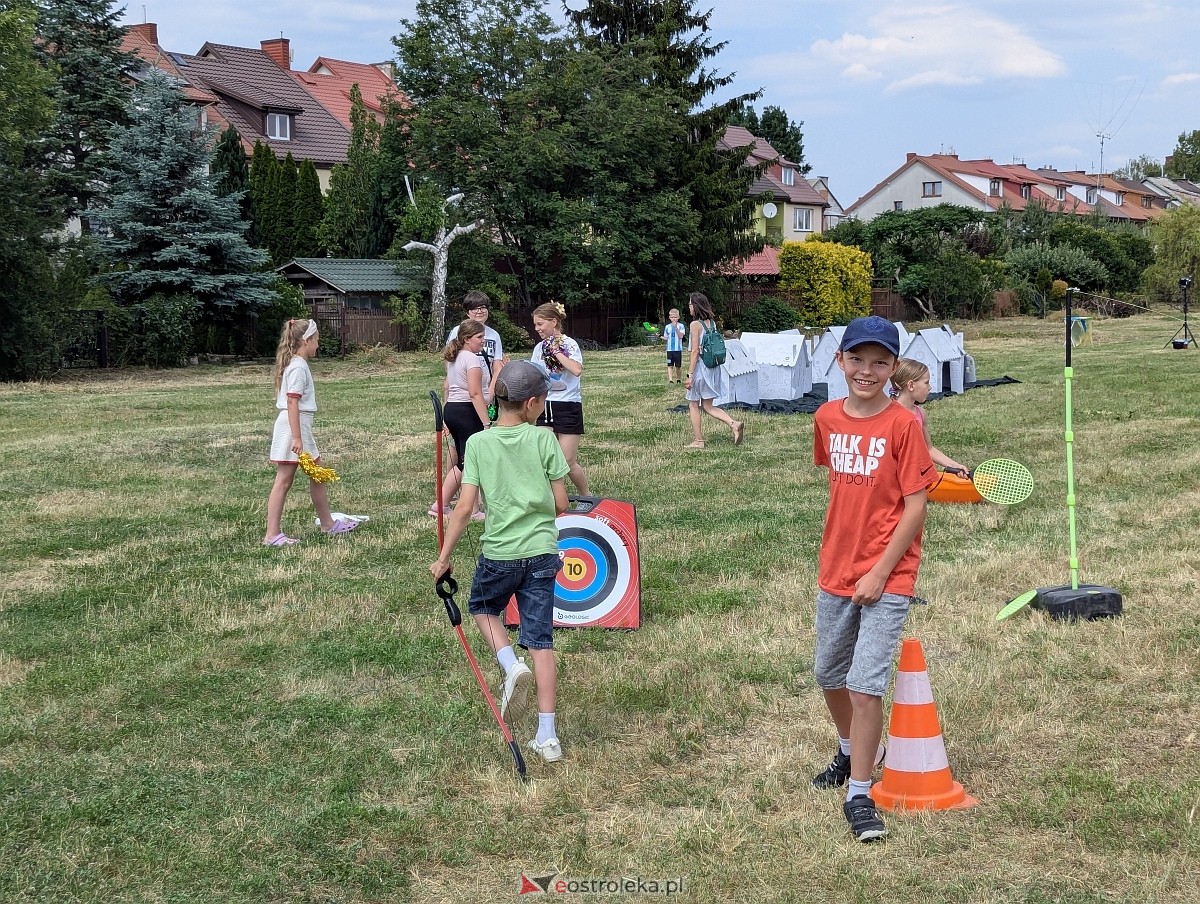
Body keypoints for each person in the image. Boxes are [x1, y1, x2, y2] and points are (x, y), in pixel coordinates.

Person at [810, 315, 935, 842]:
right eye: (856, 359)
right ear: (839, 360)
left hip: (890, 573)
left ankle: (860, 793)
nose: (867, 370)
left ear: (893, 368)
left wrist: (881, 571)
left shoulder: (903, 425)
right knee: (829, 677)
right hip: (835, 568)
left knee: (865, 687)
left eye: (879, 362)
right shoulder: (826, 417)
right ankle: (850, 749)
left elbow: (916, 505)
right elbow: (841, 485)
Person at [430, 360, 570, 763]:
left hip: (499, 555)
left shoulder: (478, 444)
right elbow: (561, 503)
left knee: (483, 608)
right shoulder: (545, 439)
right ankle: (548, 737)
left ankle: (510, 665)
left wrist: (444, 558)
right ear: (531, 404)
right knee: (541, 642)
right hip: (543, 554)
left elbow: (464, 507)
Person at [262, 318, 359, 546]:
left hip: (299, 427)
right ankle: (272, 534)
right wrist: (297, 437)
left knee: (318, 473)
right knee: (284, 480)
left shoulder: (298, 364)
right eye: (316, 340)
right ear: (306, 341)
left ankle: (327, 524)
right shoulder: (297, 367)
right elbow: (292, 402)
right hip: (293, 428)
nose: (318, 345)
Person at [432, 319, 492, 521]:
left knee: (463, 462)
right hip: (467, 412)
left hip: (453, 410)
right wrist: (486, 423)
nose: (483, 341)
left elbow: (449, 387)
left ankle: (441, 505)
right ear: (467, 339)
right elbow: (475, 393)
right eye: (479, 337)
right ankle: (466, 509)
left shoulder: (454, 357)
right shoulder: (471, 359)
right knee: (470, 463)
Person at [530, 301, 589, 495]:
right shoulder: (539, 348)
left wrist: (556, 352)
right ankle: (553, 500)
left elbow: (576, 370)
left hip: (568, 405)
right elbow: (534, 375)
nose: (536, 328)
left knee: (567, 461)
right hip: (544, 406)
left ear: (553, 322)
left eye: (540, 324)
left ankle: (586, 495)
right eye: (536, 324)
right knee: (546, 459)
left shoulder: (569, 344)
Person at [889, 358, 969, 478]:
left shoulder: (920, 413)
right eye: (926, 382)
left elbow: (928, 448)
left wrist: (954, 465)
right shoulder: (888, 413)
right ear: (911, 385)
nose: (930, 387)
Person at [683, 292, 744, 449]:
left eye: (690, 304)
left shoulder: (695, 325)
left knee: (693, 404)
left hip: (701, 369)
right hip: (713, 368)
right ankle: (733, 423)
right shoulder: (712, 323)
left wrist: (689, 375)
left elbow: (695, 352)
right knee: (708, 406)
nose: (689, 307)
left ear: (695, 306)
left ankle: (698, 441)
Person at [445, 290, 505, 400]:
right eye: (474, 308)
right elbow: (449, 362)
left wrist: (490, 394)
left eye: (482, 307)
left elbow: (497, 367)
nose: (479, 311)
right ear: (468, 313)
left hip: (485, 391)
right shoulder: (457, 331)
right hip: (462, 393)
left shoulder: (494, 335)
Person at [663, 307, 685, 383]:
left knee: (678, 366)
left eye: (675, 317)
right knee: (670, 365)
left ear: (678, 317)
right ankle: (671, 380)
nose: (673, 319)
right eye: (672, 317)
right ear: (669, 317)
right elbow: (666, 338)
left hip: (678, 350)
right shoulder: (667, 327)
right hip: (669, 350)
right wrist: (659, 336)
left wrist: (676, 328)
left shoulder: (681, 326)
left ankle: (679, 379)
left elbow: (681, 336)